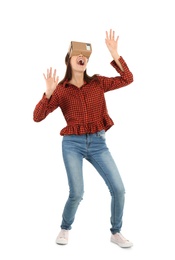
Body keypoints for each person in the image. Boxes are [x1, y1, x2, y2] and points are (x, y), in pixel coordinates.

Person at [33, 29, 134, 248]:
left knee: (118, 189)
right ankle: (64, 228)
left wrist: (115, 55)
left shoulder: (97, 82)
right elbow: (37, 117)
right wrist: (48, 93)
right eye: (78, 56)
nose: (83, 58)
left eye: (86, 57)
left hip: (98, 143)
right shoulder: (61, 90)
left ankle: (116, 232)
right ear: (69, 60)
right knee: (77, 192)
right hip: (73, 145)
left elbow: (127, 78)